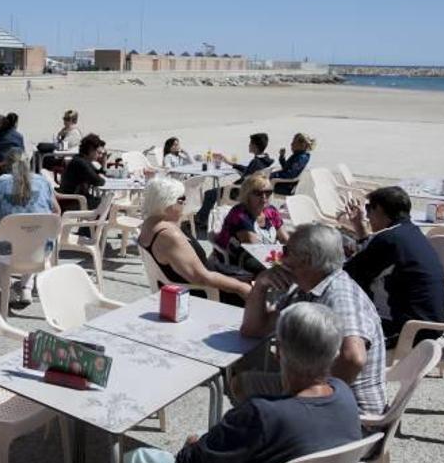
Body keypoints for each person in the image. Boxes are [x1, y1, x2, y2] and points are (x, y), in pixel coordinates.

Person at [126, 302, 361, 463]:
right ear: (334, 354)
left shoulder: (262, 414)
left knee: (139, 459)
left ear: (278, 351)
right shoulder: (345, 397)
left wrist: (190, 448)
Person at [238, 223, 386, 415]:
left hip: (350, 412)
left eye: (286, 250)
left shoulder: (339, 295)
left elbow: (353, 358)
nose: (280, 257)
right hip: (316, 390)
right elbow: (254, 329)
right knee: (241, 383)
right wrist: (260, 285)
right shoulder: (305, 288)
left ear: (305, 260)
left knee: (248, 389)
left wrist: (315, 397)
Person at [344, 186, 444, 349]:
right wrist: (359, 228)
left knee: (330, 326)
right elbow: (372, 260)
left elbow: (348, 277)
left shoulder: (389, 240)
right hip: (430, 327)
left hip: (405, 331)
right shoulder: (411, 233)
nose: (367, 216)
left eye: (368, 208)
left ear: (379, 209)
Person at [138, 177, 252, 305]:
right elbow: (201, 277)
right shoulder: (170, 235)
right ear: (166, 203)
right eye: (181, 200)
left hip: (174, 286)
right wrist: (240, 288)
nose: (185, 203)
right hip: (199, 295)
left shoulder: (149, 224)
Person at [0, 148, 61, 303]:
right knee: (32, 234)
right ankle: (26, 288)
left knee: (6, 235)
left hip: (7, 251)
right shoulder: (43, 182)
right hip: (40, 250)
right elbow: (56, 211)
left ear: (7, 164)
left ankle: (6, 290)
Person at [215, 174, 289, 274]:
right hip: (241, 258)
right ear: (247, 194)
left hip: (266, 253)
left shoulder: (271, 211)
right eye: (258, 193)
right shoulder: (240, 214)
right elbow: (254, 247)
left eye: (268, 192)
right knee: (283, 270)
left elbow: (285, 239)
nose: (264, 197)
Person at [58, 133, 107, 210]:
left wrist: (104, 161)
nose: (100, 156)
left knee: (105, 203)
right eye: (98, 153)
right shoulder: (81, 163)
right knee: (107, 206)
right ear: (91, 150)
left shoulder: (81, 160)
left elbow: (99, 173)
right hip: (73, 202)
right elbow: (99, 181)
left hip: (77, 199)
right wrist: (101, 177)